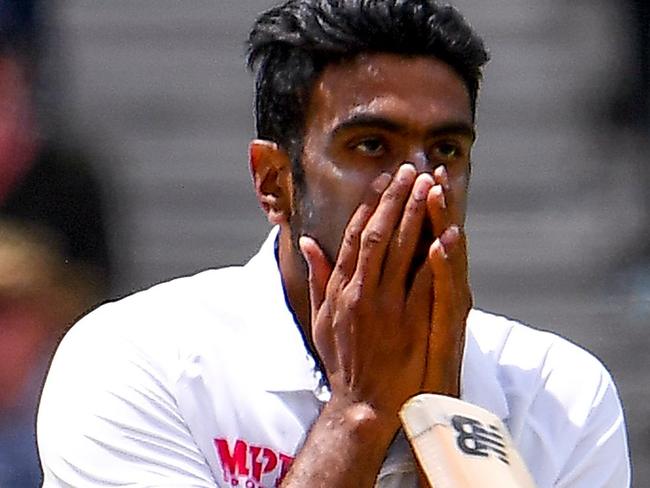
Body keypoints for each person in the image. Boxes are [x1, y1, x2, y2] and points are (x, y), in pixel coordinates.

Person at [37, 1, 631, 487]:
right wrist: (360, 413)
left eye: (446, 150)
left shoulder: (566, 394)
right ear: (274, 182)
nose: (420, 183)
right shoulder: (135, 361)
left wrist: (442, 422)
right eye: (371, 145)